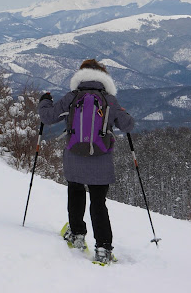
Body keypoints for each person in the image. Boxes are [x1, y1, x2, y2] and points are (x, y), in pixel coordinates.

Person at [38, 59, 134, 264]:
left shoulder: (72, 97)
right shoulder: (109, 99)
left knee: (75, 192)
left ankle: (77, 235)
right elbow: (128, 125)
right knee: (98, 203)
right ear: (103, 76)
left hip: (74, 156)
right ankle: (103, 249)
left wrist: (44, 100)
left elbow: (47, 117)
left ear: (80, 75)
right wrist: (122, 112)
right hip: (101, 158)